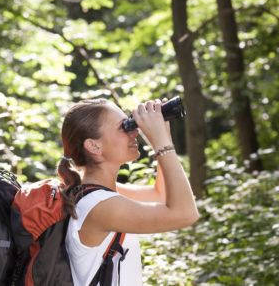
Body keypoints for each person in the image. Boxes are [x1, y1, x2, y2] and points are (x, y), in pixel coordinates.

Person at [58, 98, 199, 285]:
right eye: (123, 127)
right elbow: (186, 214)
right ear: (94, 146)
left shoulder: (92, 192)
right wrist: (161, 145)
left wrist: (163, 134)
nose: (133, 131)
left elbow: (161, 195)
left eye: (130, 122)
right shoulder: (100, 206)